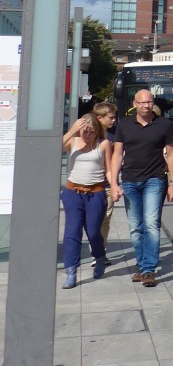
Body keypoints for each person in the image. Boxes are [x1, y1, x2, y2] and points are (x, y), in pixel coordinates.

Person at [110, 89, 173, 287]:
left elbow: (172, 154)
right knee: (135, 227)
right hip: (130, 180)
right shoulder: (124, 124)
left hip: (154, 179)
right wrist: (114, 183)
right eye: (142, 103)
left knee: (150, 223)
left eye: (149, 102)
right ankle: (141, 266)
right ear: (134, 104)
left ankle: (148, 269)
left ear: (153, 103)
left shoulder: (164, 124)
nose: (146, 106)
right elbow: (117, 155)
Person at [60, 113, 112, 289]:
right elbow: (55, 147)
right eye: (84, 132)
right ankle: (71, 270)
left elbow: (110, 170)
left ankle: (99, 257)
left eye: (91, 132)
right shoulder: (73, 141)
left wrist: (115, 186)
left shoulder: (103, 144)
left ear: (98, 131)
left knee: (93, 232)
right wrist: (73, 130)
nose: (87, 135)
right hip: (72, 192)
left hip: (95, 194)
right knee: (72, 232)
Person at [94, 101, 118, 248]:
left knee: (106, 219)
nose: (114, 120)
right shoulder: (90, 134)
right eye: (111, 117)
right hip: (92, 183)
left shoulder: (116, 133)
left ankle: (100, 251)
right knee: (94, 219)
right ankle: (96, 249)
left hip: (109, 183)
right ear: (100, 118)